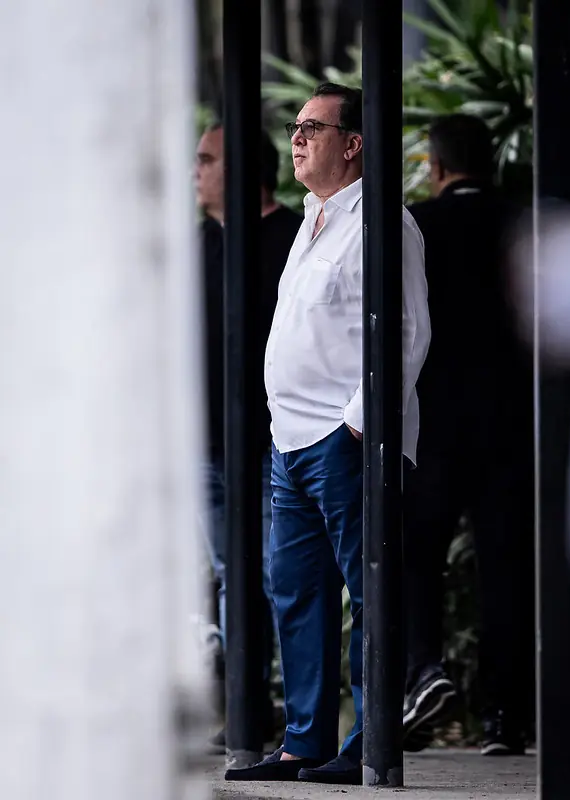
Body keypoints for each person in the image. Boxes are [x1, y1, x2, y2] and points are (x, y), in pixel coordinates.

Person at [225, 82, 431, 784]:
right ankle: (304, 742)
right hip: (290, 441)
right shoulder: (314, 217)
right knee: (296, 593)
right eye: (296, 125)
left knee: (369, 592)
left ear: (353, 144)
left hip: (345, 439)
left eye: (313, 127)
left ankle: (369, 744)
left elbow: (408, 332)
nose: (297, 137)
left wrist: (357, 425)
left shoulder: (382, 221)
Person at [402, 114, 535, 755]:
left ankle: (422, 680)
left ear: (436, 167)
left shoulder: (416, 226)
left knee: (416, 558)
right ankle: (506, 717)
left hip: (433, 423)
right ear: (492, 162)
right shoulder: (525, 223)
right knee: (506, 570)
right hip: (511, 422)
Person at [195, 124, 302, 752]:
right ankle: (248, 711)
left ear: (239, 169)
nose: (196, 172)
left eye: (206, 160)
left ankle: (297, 714)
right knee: (228, 574)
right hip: (205, 444)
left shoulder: (294, 238)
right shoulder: (194, 245)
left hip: (273, 441)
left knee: (272, 573)